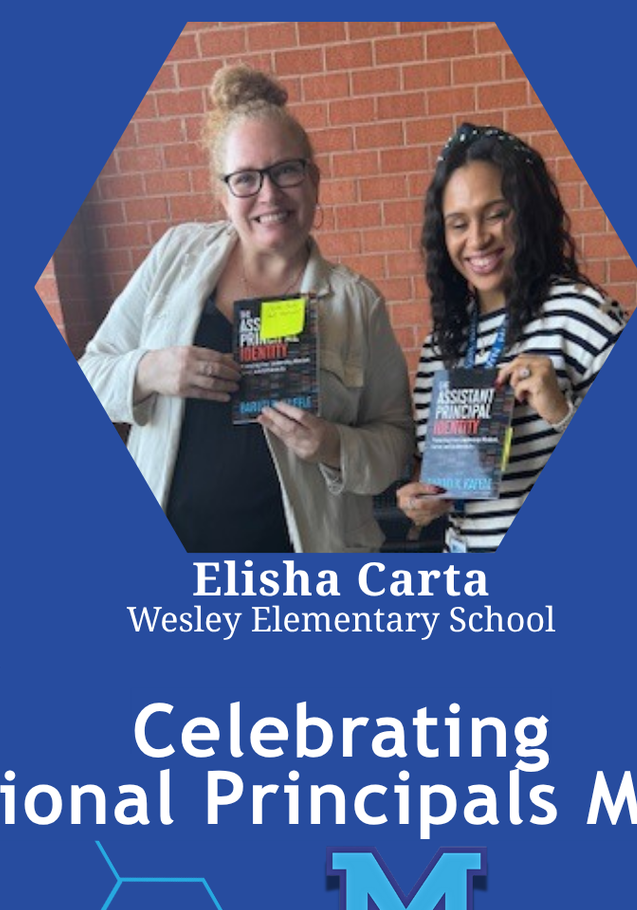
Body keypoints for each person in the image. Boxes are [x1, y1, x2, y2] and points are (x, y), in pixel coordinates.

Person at [79, 65, 414, 553]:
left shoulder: (357, 302)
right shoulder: (177, 255)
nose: (270, 194)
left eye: (286, 171)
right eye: (246, 179)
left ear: (313, 178)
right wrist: (148, 369)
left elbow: (395, 441)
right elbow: (90, 373)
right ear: (222, 193)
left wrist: (333, 447)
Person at [398, 123, 628, 553]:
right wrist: (423, 498)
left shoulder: (580, 315)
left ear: (527, 213)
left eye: (496, 214)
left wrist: (560, 412)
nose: (478, 238)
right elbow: (445, 481)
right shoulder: (440, 347)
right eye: (458, 223)